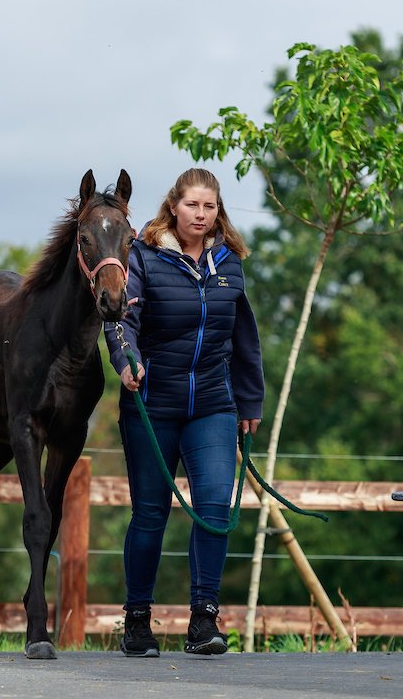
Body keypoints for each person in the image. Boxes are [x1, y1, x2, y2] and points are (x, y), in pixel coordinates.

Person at [104, 167, 264, 658]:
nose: (201, 214)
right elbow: (122, 320)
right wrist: (126, 361)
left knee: (214, 509)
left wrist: (250, 401)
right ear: (173, 206)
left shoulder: (229, 262)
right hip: (152, 405)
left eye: (209, 207)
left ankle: (204, 619)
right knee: (150, 515)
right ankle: (137, 620)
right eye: (192, 205)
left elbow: (244, 337)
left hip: (213, 405)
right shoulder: (143, 257)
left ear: (218, 211)